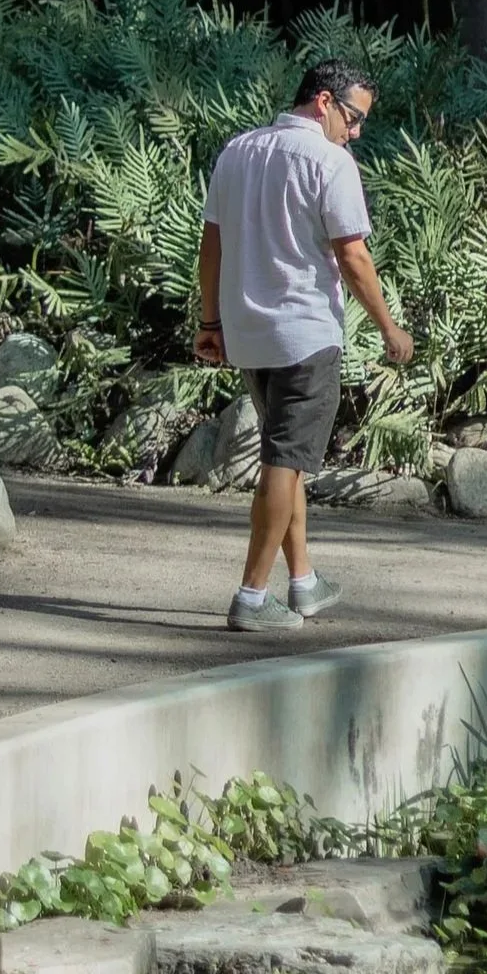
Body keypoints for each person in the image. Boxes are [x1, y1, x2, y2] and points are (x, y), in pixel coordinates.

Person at [195, 62, 414, 634]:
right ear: (324, 102)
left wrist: (210, 321)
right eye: (354, 117)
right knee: (285, 462)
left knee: (282, 461)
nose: (357, 131)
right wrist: (390, 328)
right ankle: (250, 596)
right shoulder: (330, 162)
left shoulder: (236, 152)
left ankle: (303, 583)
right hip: (306, 334)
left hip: (248, 334)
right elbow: (354, 257)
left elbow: (209, 249)